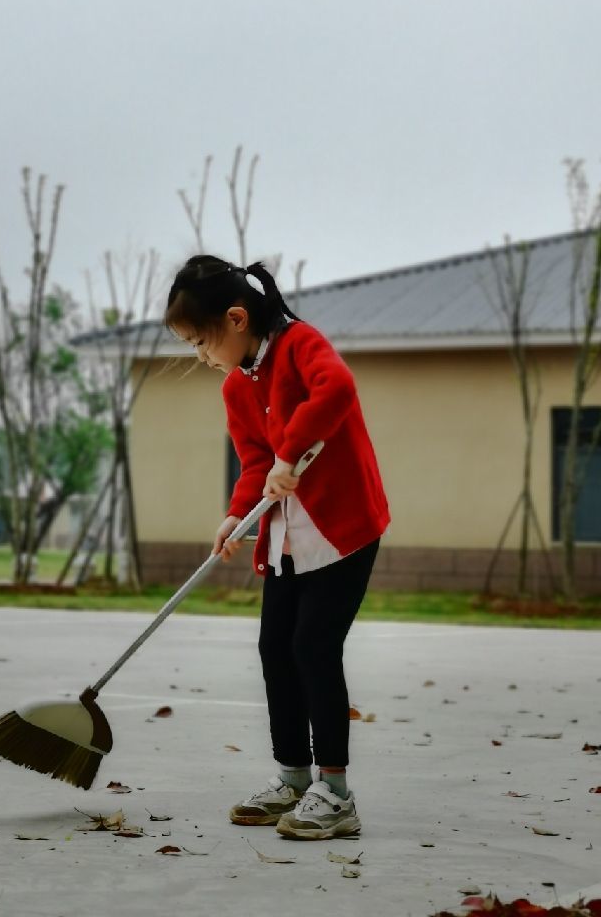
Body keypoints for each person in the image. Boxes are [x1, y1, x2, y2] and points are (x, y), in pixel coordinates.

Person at [164, 254, 390, 840]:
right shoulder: (238, 387)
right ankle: (292, 778)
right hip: (288, 536)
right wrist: (237, 513)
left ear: (236, 318)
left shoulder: (300, 344)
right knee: (275, 650)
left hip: (343, 530)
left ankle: (335, 793)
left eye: (202, 342)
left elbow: (336, 389)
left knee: (313, 647)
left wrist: (291, 452)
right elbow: (255, 461)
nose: (202, 357)